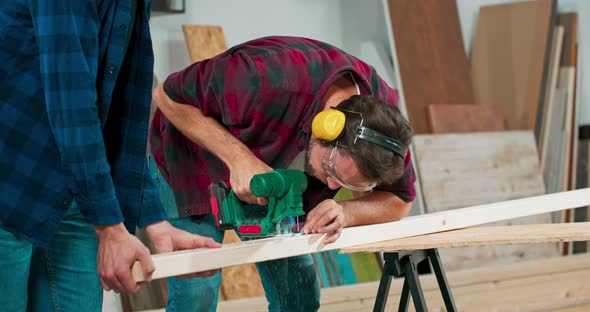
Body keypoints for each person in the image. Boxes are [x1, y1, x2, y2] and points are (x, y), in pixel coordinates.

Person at [150, 36, 416, 311]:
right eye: (331, 170)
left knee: (299, 297)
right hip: (189, 161)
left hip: (272, 178)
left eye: (348, 184)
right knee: (197, 295)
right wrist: (239, 158)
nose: (333, 184)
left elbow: (400, 201)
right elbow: (167, 95)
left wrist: (347, 211)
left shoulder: (383, 133)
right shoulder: (262, 76)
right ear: (325, 127)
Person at [0, 1, 220, 311]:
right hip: (10, 183)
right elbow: (71, 102)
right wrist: (109, 228)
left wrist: (156, 224)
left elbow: (124, 117)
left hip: (72, 192)